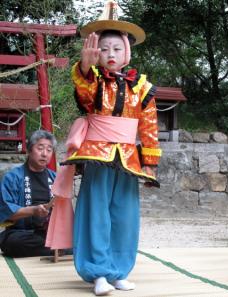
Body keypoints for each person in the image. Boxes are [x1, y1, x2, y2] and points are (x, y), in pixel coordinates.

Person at [47, 1, 162, 295]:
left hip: (127, 159)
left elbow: (148, 127)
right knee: (96, 213)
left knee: (125, 217)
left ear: (128, 52)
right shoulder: (93, 81)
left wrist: (150, 164)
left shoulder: (143, 88)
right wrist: (85, 66)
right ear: (96, 53)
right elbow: (85, 97)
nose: (111, 55)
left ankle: (119, 270)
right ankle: (97, 272)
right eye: (105, 49)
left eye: (117, 49)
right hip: (97, 156)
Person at [0, 130, 56, 257]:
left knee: (76, 237)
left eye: (49, 150)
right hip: (21, 233)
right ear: (30, 150)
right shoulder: (12, 177)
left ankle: (56, 247)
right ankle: (57, 249)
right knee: (13, 243)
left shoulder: (55, 179)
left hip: (48, 233)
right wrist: (33, 210)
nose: (44, 154)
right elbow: (6, 211)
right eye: (40, 148)